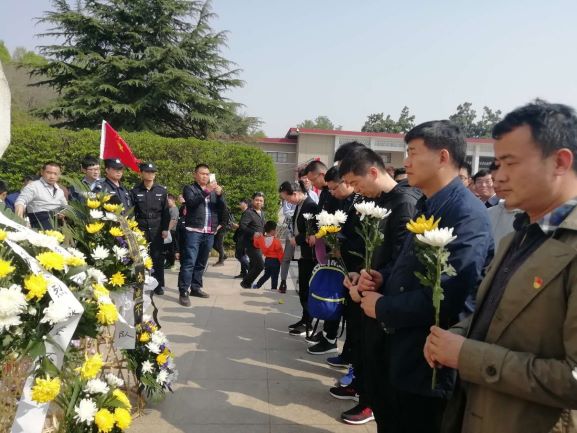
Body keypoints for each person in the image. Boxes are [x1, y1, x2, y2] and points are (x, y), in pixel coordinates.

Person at [424, 101, 577, 433]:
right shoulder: (517, 237)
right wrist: (456, 336)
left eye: (511, 163)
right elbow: (494, 316)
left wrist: (468, 355)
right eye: (496, 163)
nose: (498, 176)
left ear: (560, 162)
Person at [357, 120, 493, 433]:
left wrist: (382, 307)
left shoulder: (466, 214)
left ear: (443, 156)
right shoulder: (427, 204)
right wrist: (381, 278)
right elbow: (408, 264)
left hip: (428, 363)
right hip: (402, 353)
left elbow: (451, 295)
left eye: (413, 153)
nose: (406, 162)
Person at [337, 148, 422, 426]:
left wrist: (374, 280)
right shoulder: (378, 201)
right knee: (368, 357)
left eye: (356, 182)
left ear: (373, 172)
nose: (356, 190)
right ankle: (368, 400)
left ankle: (370, 405)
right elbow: (374, 251)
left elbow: (402, 260)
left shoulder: (404, 203)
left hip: (385, 302)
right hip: (370, 292)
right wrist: (359, 274)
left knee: (381, 369)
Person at [177, 163, 224, 305]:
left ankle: (196, 288)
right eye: (202, 173)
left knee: (202, 262)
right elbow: (191, 203)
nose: (205, 176)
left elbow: (222, 208)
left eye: (207, 174)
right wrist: (206, 191)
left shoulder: (214, 190)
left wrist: (220, 195)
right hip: (194, 230)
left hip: (209, 231)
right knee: (189, 262)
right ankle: (183, 291)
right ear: (195, 175)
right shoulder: (189, 188)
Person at [279, 180, 319, 336]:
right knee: (302, 288)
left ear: (295, 193)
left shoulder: (310, 205)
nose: (288, 202)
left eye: (287, 198)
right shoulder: (300, 205)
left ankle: (309, 323)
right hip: (302, 253)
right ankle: (304, 319)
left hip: (310, 255)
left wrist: (298, 239)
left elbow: (313, 230)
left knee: (306, 289)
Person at [131, 162, 170, 295]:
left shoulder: (161, 190)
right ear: (141, 173)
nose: (150, 174)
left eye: (153, 172)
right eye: (147, 172)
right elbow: (132, 212)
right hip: (141, 227)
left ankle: (158, 285)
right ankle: (140, 284)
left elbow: (166, 212)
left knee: (157, 257)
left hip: (157, 227)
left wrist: (165, 228)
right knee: (140, 257)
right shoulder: (135, 191)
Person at [15, 161, 68, 229]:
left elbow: (66, 207)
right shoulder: (33, 186)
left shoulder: (60, 191)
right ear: (42, 172)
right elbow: (20, 201)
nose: (52, 176)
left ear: (59, 175)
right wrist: (19, 220)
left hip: (57, 225)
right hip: (39, 224)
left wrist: (63, 214)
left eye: (55, 174)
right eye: (49, 173)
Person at [487, 161, 521, 248]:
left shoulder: (531, 216)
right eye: (493, 180)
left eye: (501, 181)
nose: (495, 185)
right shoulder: (488, 213)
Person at [239, 192, 266, 289]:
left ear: (263, 202)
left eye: (261, 201)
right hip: (250, 243)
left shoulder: (262, 213)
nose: (259, 202)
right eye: (257, 200)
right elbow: (242, 226)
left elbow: (261, 227)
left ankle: (247, 284)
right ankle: (245, 282)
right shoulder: (248, 212)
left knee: (253, 264)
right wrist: (253, 233)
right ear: (252, 200)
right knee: (260, 265)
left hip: (259, 243)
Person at [252, 220, 284, 290]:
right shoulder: (276, 241)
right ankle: (273, 289)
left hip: (267, 260)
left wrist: (256, 237)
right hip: (275, 261)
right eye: (276, 230)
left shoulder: (262, 239)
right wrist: (282, 261)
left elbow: (256, 245)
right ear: (272, 231)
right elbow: (280, 252)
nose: (276, 231)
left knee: (266, 275)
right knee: (274, 277)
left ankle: (257, 285)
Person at [212, 198, 231, 266]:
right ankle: (224, 255)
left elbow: (223, 222)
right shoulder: (218, 209)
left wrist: (216, 229)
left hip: (222, 229)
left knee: (219, 245)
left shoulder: (225, 210)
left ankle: (221, 261)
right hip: (217, 228)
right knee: (213, 244)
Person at [164, 194, 179, 269]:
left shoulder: (174, 209)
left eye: (168, 201)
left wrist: (168, 230)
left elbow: (173, 221)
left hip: (171, 231)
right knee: (167, 247)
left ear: (173, 200)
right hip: (169, 230)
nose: (167, 202)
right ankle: (168, 262)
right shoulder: (169, 209)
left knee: (170, 248)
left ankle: (170, 263)